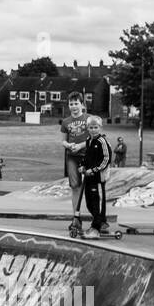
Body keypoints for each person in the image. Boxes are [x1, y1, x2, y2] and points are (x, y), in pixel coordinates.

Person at [81, 115, 113, 236]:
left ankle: (96, 227)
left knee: (96, 202)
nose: (93, 129)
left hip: (98, 177)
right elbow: (87, 157)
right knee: (89, 202)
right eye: (91, 127)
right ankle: (102, 222)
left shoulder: (102, 141)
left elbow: (106, 159)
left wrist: (94, 170)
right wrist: (82, 165)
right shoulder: (89, 141)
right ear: (87, 128)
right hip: (88, 177)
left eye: (96, 127)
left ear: (100, 128)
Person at [60, 92, 89, 225]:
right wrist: (69, 145)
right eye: (71, 104)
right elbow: (63, 141)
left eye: (76, 103)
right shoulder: (66, 122)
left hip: (88, 156)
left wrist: (81, 145)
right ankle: (76, 217)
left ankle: (97, 217)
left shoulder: (89, 119)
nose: (73, 106)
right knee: (75, 187)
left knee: (90, 187)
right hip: (72, 157)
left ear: (82, 105)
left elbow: (95, 138)